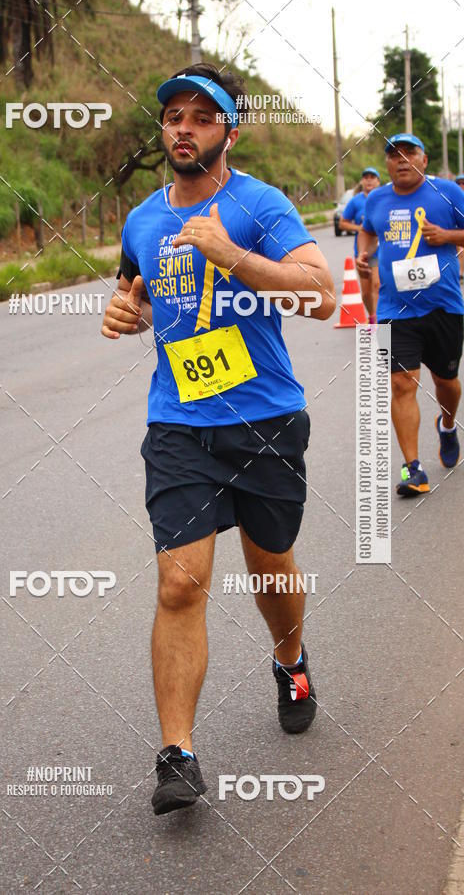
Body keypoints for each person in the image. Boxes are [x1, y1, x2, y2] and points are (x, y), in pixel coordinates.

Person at [101, 63, 335, 815]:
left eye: (202, 117)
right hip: (178, 424)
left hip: (265, 419)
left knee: (270, 567)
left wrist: (235, 255)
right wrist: (123, 311)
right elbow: (131, 282)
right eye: (173, 115)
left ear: (229, 130)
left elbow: (323, 297)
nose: (183, 127)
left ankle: (291, 659)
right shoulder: (142, 217)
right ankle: (178, 753)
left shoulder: (260, 204)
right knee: (179, 582)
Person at [357, 133, 464, 496]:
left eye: (409, 153)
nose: (401, 159)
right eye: (393, 154)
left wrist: (446, 234)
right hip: (394, 308)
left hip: (443, 305)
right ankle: (413, 469)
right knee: (402, 383)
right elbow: (367, 232)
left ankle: (447, 424)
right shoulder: (377, 199)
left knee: (446, 382)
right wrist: (363, 254)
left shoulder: (449, 193)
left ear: (424, 159)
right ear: (387, 163)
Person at [339, 168, 381, 321]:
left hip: (380, 250)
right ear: (362, 181)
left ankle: (378, 320)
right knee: (365, 291)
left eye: (372, 177)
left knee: (377, 285)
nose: (369, 180)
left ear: (378, 181)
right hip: (362, 251)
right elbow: (343, 223)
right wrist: (362, 229)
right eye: (366, 177)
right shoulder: (355, 201)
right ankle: (371, 316)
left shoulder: (382, 198)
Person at [455, 174, 464, 281]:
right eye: (459, 183)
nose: (461, 185)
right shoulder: (453, 198)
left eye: (463, 183)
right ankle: (461, 272)